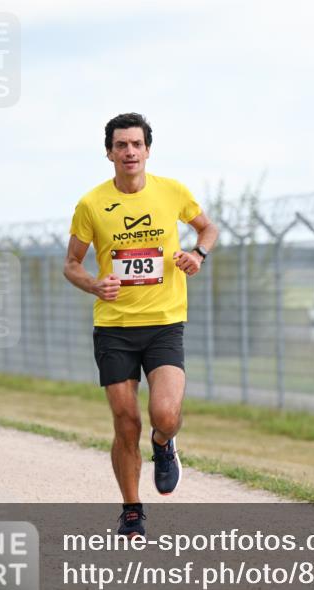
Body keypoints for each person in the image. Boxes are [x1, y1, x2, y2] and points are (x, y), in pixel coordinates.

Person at [63, 112, 218, 537]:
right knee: (126, 420)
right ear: (109, 152)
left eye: (136, 144)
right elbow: (71, 265)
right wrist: (95, 285)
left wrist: (197, 255)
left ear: (147, 150)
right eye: (121, 145)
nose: (129, 151)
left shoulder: (172, 192)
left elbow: (207, 229)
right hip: (114, 328)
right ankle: (132, 509)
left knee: (164, 414)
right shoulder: (92, 204)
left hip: (165, 322)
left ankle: (164, 445)